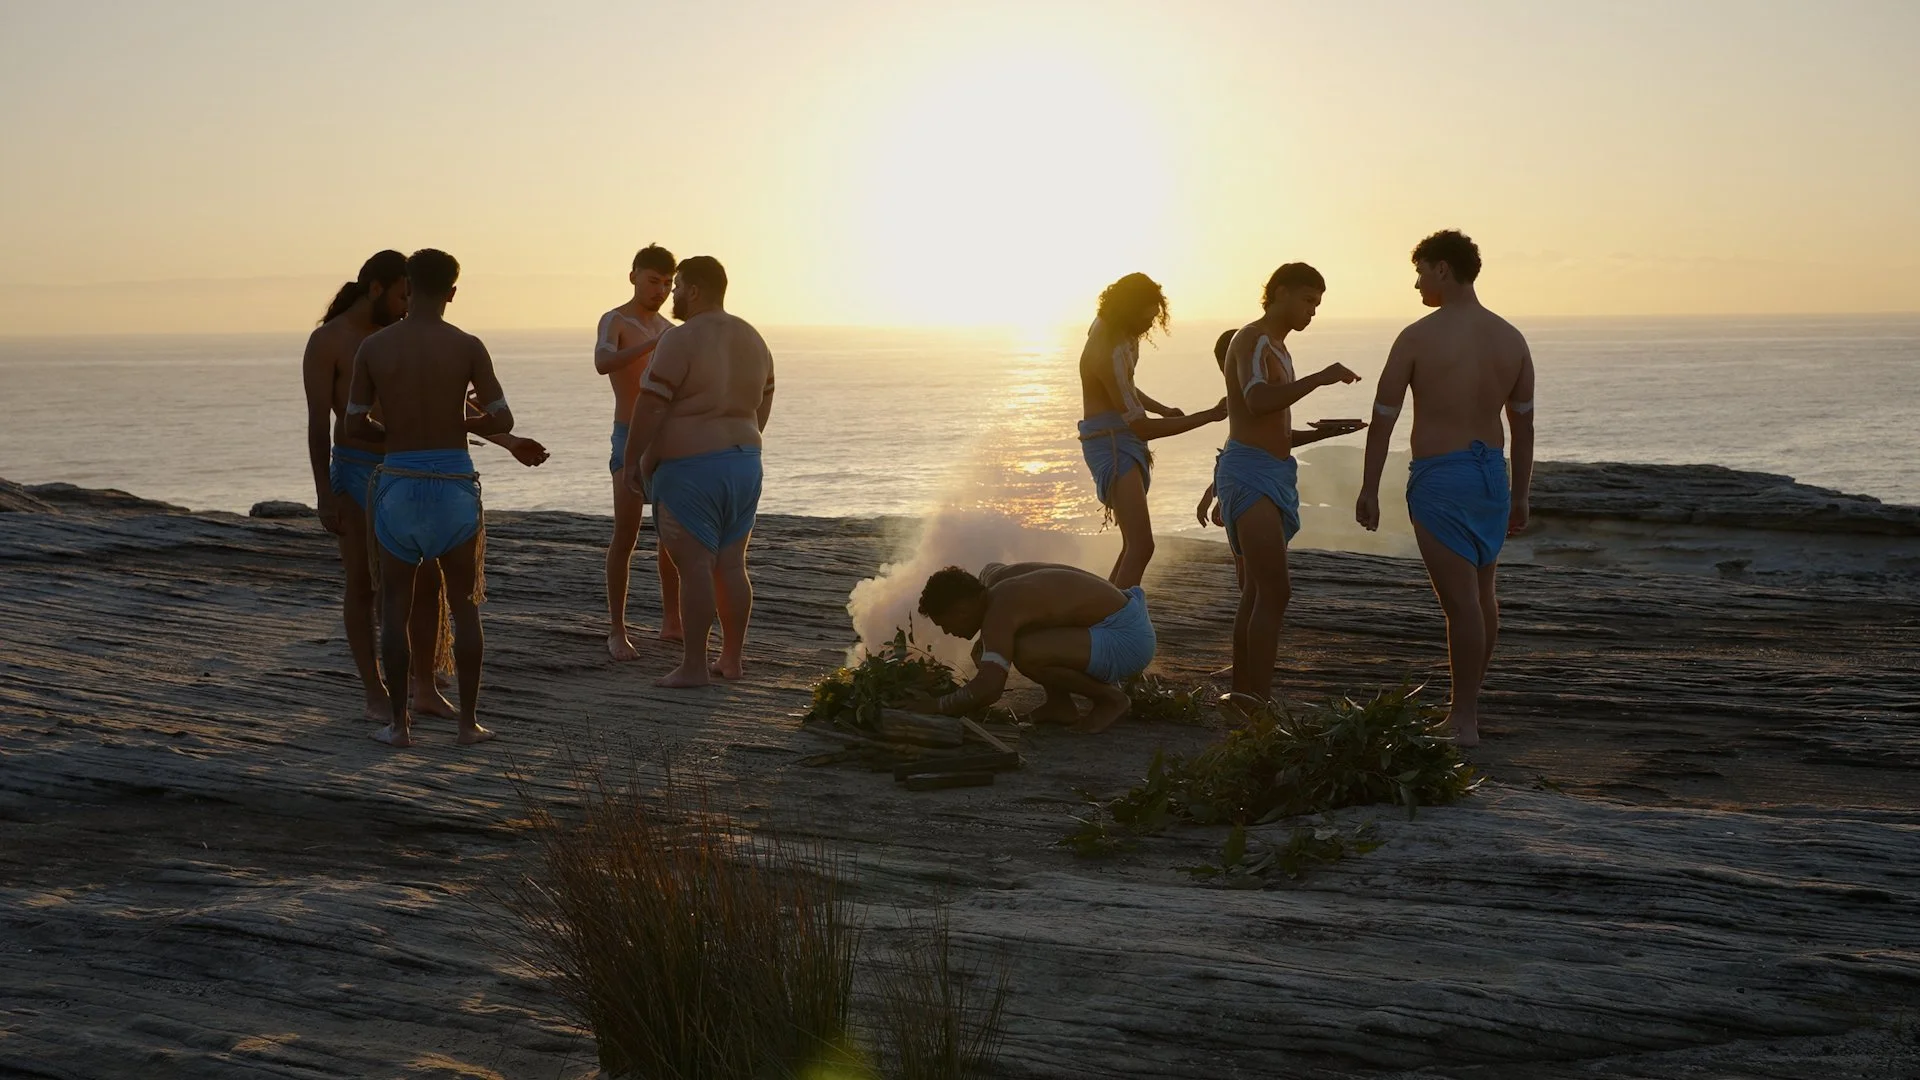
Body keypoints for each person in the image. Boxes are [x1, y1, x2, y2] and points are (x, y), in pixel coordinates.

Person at [301, 252, 544, 723]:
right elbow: (319, 424)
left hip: (402, 470)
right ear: (379, 289)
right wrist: (322, 493)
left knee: (426, 585)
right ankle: (375, 691)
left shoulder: (393, 341)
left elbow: (436, 416)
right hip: (357, 470)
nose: (404, 301)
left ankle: (424, 688)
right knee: (363, 585)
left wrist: (509, 441)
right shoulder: (329, 342)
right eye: (397, 294)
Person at [1356, 230, 1535, 747]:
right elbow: (1522, 426)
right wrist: (1521, 494)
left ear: (1441, 269)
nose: (1415, 285)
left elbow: (1383, 418)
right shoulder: (1511, 339)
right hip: (1491, 477)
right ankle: (1468, 705)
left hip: (1443, 479)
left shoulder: (1417, 337)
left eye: (1419, 272)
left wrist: (1370, 488)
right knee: (1482, 596)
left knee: (1461, 605)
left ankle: (1463, 722)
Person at [346, 249, 515, 747]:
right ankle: (468, 724)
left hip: (398, 482)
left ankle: (398, 726)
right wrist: (462, 423)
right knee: (464, 608)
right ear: (453, 293)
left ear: (409, 286)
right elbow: (502, 420)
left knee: (394, 605)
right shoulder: (467, 346)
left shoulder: (374, 348)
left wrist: (395, 432)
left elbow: (354, 424)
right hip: (454, 487)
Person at [1212, 264, 1364, 701]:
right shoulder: (1252, 338)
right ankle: (1255, 703)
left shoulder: (1278, 347)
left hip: (1274, 472)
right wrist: (1319, 378)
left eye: (1317, 304)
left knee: (1257, 592)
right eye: (1306, 300)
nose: (1312, 311)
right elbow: (1257, 401)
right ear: (1279, 292)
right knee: (1275, 592)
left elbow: (1275, 426)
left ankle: (1243, 700)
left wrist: (1323, 433)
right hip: (1249, 472)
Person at [620, 256, 773, 688]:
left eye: (679, 285)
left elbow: (650, 405)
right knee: (731, 564)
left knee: (696, 567)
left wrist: (634, 460)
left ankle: (692, 666)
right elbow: (764, 401)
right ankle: (732, 659)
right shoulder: (754, 338)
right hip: (744, 463)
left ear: (695, 290)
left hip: (691, 471)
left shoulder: (680, 339)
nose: (673, 293)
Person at [1077, 272, 1226, 589]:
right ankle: (1118, 620)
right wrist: (1208, 415)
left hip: (1118, 437)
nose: (1149, 327)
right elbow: (1142, 428)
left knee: (1132, 543)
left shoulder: (1116, 330)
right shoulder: (1107, 351)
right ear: (1128, 311)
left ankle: (1106, 612)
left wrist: (1162, 409)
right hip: (1112, 444)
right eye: (1145, 319)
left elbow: (1124, 386)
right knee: (1143, 545)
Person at [910, 562, 1156, 734]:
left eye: (944, 624)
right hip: (1127, 614)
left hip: (1128, 639)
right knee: (1023, 635)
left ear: (961, 610)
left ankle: (1111, 699)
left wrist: (937, 706)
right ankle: (1060, 705)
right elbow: (992, 566)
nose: (947, 633)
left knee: (1024, 652)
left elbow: (990, 688)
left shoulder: (1001, 609)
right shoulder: (992, 579)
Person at [597, 244, 680, 660]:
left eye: (668, 283)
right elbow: (602, 361)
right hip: (628, 434)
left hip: (666, 438)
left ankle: (672, 622)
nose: (661, 290)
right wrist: (648, 349)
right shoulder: (617, 320)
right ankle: (616, 629)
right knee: (626, 534)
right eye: (653, 281)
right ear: (633, 276)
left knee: (671, 536)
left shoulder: (669, 328)